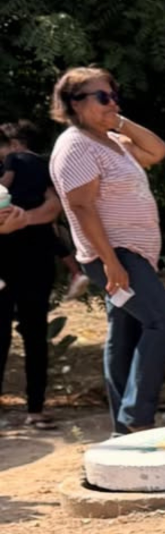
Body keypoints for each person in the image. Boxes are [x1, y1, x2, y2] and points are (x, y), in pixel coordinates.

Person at [47, 67, 165, 435]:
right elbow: (82, 207)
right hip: (115, 255)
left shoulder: (110, 140)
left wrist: (117, 121)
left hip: (130, 254)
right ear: (75, 104)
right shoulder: (76, 145)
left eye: (114, 95)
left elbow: (156, 150)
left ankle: (123, 430)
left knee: (125, 335)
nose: (112, 102)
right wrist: (110, 262)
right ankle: (137, 417)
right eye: (103, 97)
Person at [0, 121, 67, 430]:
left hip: (26, 261)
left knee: (28, 336)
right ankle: (35, 409)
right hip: (34, 260)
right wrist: (27, 219)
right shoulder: (40, 166)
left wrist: (20, 220)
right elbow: (52, 206)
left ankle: (35, 407)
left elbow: (54, 206)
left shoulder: (20, 165)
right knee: (34, 336)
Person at [0, 121, 90, 300]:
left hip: (17, 207)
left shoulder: (13, 159)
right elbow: (54, 192)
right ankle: (76, 272)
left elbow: (7, 181)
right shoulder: (44, 161)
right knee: (53, 240)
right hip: (40, 211)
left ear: (14, 144)